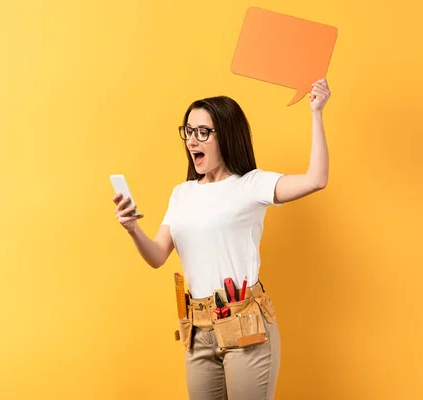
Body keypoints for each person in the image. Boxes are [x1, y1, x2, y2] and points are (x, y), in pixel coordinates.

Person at [111, 78, 330, 400]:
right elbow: (158, 255)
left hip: (245, 322)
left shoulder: (251, 185)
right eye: (188, 131)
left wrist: (316, 112)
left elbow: (316, 179)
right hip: (197, 329)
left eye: (203, 132)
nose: (192, 140)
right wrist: (131, 228)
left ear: (226, 136)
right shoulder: (182, 193)